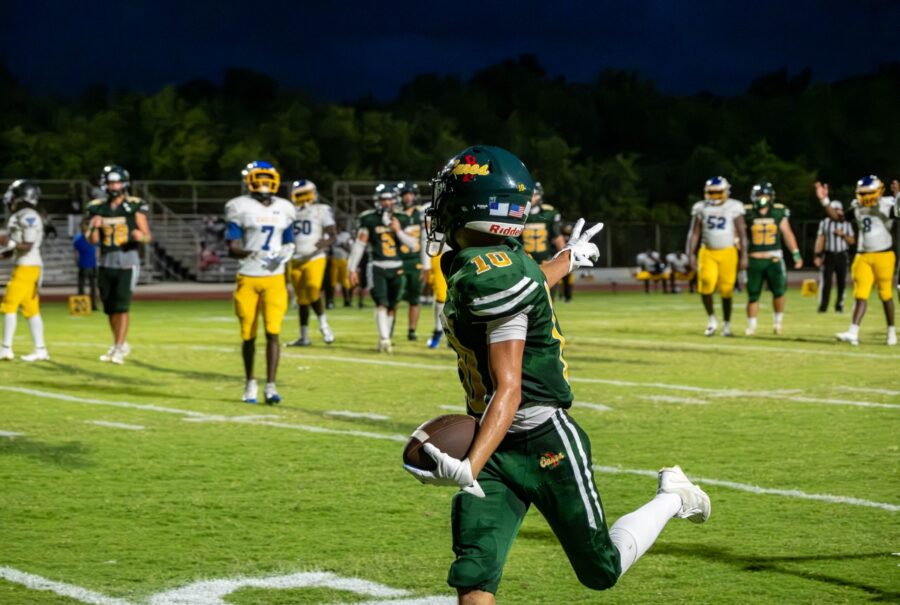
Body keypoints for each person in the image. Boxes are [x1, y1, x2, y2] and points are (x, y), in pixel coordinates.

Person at [405, 146, 710, 603]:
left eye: (445, 196)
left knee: (600, 570)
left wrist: (470, 465)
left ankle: (674, 495)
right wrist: (567, 258)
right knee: (474, 572)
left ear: (471, 206)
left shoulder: (491, 274)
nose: (436, 208)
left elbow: (509, 388)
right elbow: (529, 277)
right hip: (493, 437)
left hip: (541, 439)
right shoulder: (494, 261)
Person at [225, 161, 297, 403]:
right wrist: (250, 253)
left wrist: (285, 254)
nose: (264, 183)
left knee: (273, 332)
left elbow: (289, 241)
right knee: (248, 335)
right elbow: (232, 247)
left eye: (267, 178)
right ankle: (250, 383)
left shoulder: (285, 208)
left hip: (274, 279)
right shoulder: (238, 206)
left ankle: (271, 386)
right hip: (248, 276)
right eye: (260, 177)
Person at [818, 177, 896, 346]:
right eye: (863, 193)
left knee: (885, 295)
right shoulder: (858, 206)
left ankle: (891, 331)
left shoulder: (887, 204)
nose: (865, 197)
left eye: (868, 193)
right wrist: (824, 200)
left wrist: (898, 196)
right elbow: (839, 218)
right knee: (860, 295)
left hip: (884, 254)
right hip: (863, 256)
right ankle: (853, 332)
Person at [86, 165, 152, 364]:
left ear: (124, 183)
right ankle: (119, 343)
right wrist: (92, 228)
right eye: (111, 182)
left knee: (122, 307)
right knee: (110, 307)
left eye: (117, 182)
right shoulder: (97, 207)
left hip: (127, 261)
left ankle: (119, 347)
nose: (114, 186)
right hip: (106, 261)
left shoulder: (134, 206)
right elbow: (92, 240)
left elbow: (148, 236)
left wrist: (141, 236)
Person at [348, 184, 417, 353]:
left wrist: (398, 231)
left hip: (397, 266)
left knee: (393, 306)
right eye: (383, 199)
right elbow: (360, 245)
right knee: (381, 303)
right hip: (377, 265)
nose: (386, 202)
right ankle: (385, 339)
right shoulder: (369, 218)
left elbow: (413, 245)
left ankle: (386, 337)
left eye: (388, 199)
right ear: (377, 200)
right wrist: (352, 268)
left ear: (394, 200)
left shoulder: (402, 217)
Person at [686, 176, 748, 336]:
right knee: (706, 285)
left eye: (717, 192)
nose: (714, 196)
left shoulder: (734, 206)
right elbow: (694, 232)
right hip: (707, 252)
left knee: (727, 290)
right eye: (711, 193)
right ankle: (712, 320)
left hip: (728, 252)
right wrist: (690, 254)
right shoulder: (700, 207)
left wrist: (744, 256)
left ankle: (727, 325)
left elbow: (742, 233)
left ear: (725, 192)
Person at [743, 182, 803, 336]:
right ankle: (752, 326)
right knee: (753, 295)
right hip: (754, 259)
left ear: (771, 197)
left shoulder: (778, 211)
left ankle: (778, 323)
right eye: (759, 195)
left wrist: (796, 253)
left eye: (765, 195)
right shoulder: (746, 212)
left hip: (774, 258)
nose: (763, 198)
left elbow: (787, 233)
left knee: (779, 292)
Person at [0, 180, 50, 362]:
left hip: (27, 266)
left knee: (8, 305)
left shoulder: (28, 215)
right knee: (31, 309)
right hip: (27, 264)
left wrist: (8, 243)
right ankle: (41, 349)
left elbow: (27, 245)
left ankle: (5, 348)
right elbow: (16, 248)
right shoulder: (23, 214)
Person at [285, 179, 336, 347]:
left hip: (315, 257)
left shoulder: (321, 210)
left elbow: (332, 235)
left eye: (306, 194)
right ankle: (304, 337)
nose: (304, 198)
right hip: (295, 259)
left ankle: (324, 326)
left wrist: (321, 244)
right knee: (302, 300)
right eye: (300, 195)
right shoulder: (289, 211)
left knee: (313, 289)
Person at [814, 200, 854, 313]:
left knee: (842, 282)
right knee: (826, 282)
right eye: (833, 209)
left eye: (837, 209)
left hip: (842, 254)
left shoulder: (847, 223)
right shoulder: (825, 222)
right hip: (829, 255)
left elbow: (852, 241)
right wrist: (817, 255)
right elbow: (820, 239)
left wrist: (842, 235)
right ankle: (823, 307)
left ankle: (839, 306)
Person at [397, 181, 425, 341]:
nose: (408, 197)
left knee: (415, 299)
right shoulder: (394, 214)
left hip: (416, 260)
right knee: (393, 298)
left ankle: (412, 330)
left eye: (410, 193)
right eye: (405, 194)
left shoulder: (421, 214)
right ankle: (389, 329)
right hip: (398, 259)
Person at [73, 217, 98, 310]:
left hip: (92, 264)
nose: (83, 227)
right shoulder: (79, 238)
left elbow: (96, 249)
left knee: (93, 286)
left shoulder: (92, 236)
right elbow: (75, 251)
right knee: (81, 286)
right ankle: (81, 306)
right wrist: (76, 261)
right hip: (83, 264)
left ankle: (93, 305)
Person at [330, 230, 354, 307]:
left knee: (345, 281)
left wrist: (342, 245)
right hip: (334, 259)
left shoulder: (346, 235)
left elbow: (350, 249)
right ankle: (331, 301)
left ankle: (347, 301)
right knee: (332, 282)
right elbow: (328, 247)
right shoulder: (331, 234)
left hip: (344, 260)